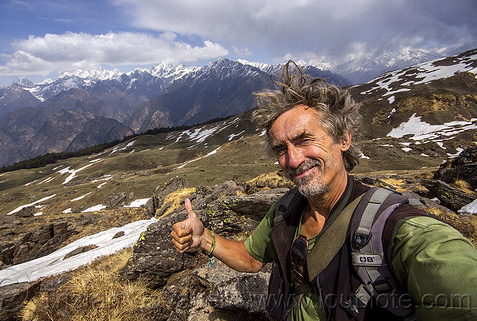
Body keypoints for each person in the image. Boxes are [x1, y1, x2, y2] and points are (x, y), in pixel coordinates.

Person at [171, 61, 477, 320]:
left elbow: (453, 275)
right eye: (281, 149)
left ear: (343, 139)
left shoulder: (394, 228)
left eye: (304, 140)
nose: (292, 160)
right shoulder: (286, 210)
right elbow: (251, 258)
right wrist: (204, 239)